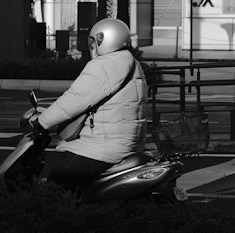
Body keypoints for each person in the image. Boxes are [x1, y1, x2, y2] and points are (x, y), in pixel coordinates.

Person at [33, 17, 149, 189]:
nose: (93, 46)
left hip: (102, 147)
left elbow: (74, 100)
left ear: (104, 40)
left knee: (56, 185)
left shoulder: (104, 66)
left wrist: (42, 122)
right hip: (130, 143)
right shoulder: (132, 63)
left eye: (94, 41)